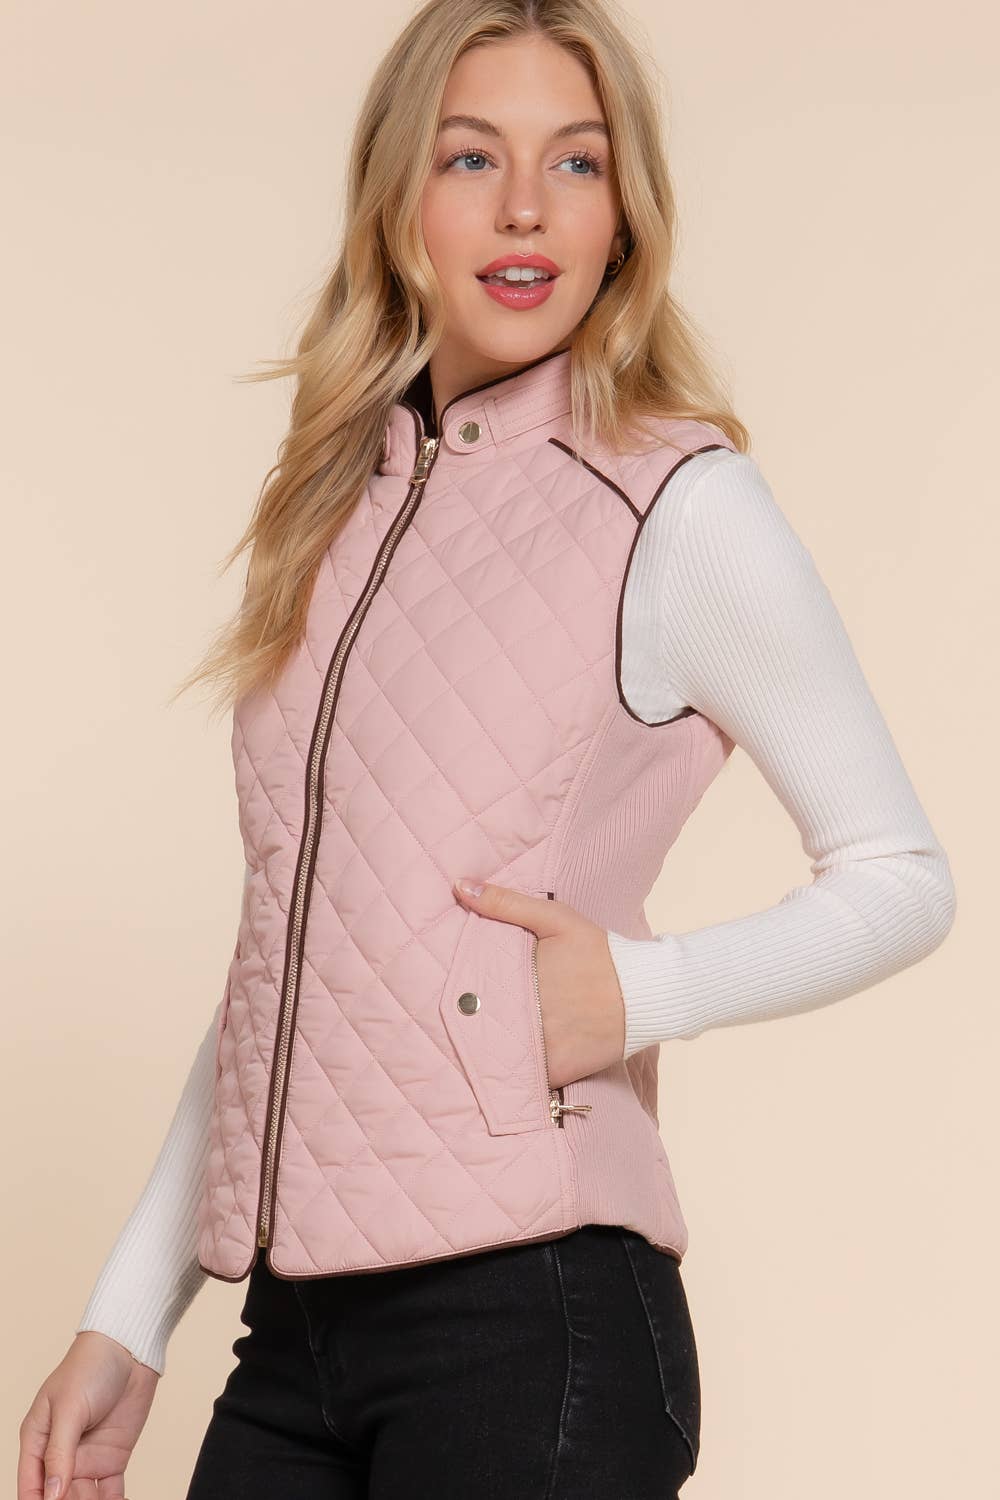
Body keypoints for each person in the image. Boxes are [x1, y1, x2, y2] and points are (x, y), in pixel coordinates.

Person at [18, 2, 957, 1497]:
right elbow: (291, 969)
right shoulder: (334, 509)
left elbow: (902, 875)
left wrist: (644, 990)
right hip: (295, 1333)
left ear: (623, 214)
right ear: (398, 200)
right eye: (472, 157)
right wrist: (130, 1317)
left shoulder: (676, 502)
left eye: (576, 162)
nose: (527, 208)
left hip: (537, 1325)